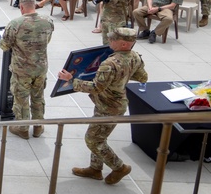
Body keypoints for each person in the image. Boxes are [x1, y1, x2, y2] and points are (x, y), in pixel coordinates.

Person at [59, 27, 146, 185]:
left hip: (108, 107)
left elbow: (96, 87)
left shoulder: (110, 63)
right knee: (100, 136)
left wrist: (71, 80)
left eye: (113, 39)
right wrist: (122, 76)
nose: (109, 40)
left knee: (93, 140)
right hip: (113, 103)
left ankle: (119, 167)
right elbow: (142, 77)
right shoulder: (135, 57)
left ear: (125, 44)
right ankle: (95, 169)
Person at [0, 0, 54, 138]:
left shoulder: (15, 24)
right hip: (40, 67)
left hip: (22, 69)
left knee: (21, 98)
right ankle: (38, 126)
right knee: (38, 96)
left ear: (21, 7)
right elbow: (47, 40)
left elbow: (5, 45)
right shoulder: (47, 21)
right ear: (34, 4)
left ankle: (22, 128)